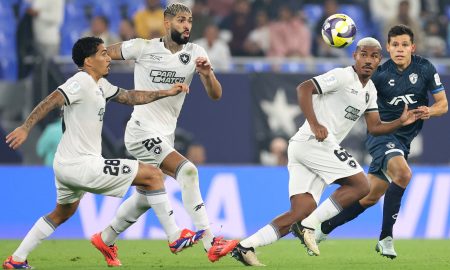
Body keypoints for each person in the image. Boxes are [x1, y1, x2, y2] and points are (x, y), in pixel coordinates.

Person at [2, 36, 193, 269]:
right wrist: (26, 127)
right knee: (153, 175)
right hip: (81, 164)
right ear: (88, 61)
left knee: (62, 213)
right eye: (103, 53)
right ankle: (174, 237)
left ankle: (17, 259)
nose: (108, 57)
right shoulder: (80, 81)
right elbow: (52, 99)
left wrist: (165, 92)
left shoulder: (100, 85)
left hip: (66, 165)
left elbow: (130, 96)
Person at [230, 37, 422, 266]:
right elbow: (304, 88)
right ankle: (308, 225)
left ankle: (245, 246)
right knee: (361, 185)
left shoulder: (370, 90)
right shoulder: (342, 76)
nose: (368, 60)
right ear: (355, 56)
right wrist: (314, 123)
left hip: (306, 148)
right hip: (314, 141)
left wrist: (400, 122)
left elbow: (374, 127)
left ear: (379, 60)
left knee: (301, 209)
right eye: (364, 55)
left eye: (373, 56)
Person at [96, 3, 238, 265]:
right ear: (167, 23)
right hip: (140, 131)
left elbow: (216, 95)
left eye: (190, 21)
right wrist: (90, 76)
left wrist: (207, 75)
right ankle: (211, 241)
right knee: (188, 171)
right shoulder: (143, 47)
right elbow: (103, 54)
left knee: (144, 197)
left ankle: (105, 239)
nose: (187, 25)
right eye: (182, 20)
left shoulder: (196, 52)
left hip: (165, 136)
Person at [314, 25, 448, 259]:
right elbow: (356, 93)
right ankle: (386, 238)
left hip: (403, 142)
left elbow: (443, 104)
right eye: (395, 45)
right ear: (388, 48)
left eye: (404, 45)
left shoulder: (425, 68)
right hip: (382, 135)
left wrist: (430, 111)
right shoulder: (380, 74)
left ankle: (324, 228)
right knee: (404, 175)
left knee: (369, 196)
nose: (399, 49)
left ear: (412, 48)